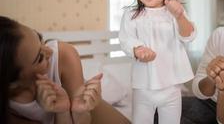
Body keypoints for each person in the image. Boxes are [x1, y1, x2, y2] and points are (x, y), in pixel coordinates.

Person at [0, 16, 131, 124]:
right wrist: (61, 111)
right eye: (39, 58)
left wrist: (77, 109)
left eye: (40, 38)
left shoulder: (63, 54)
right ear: (12, 85)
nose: (49, 51)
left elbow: (81, 119)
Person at [119, 0, 196, 124]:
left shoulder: (175, 12)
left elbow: (189, 36)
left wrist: (180, 17)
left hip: (171, 86)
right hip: (143, 86)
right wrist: (137, 49)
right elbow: (126, 38)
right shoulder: (131, 15)